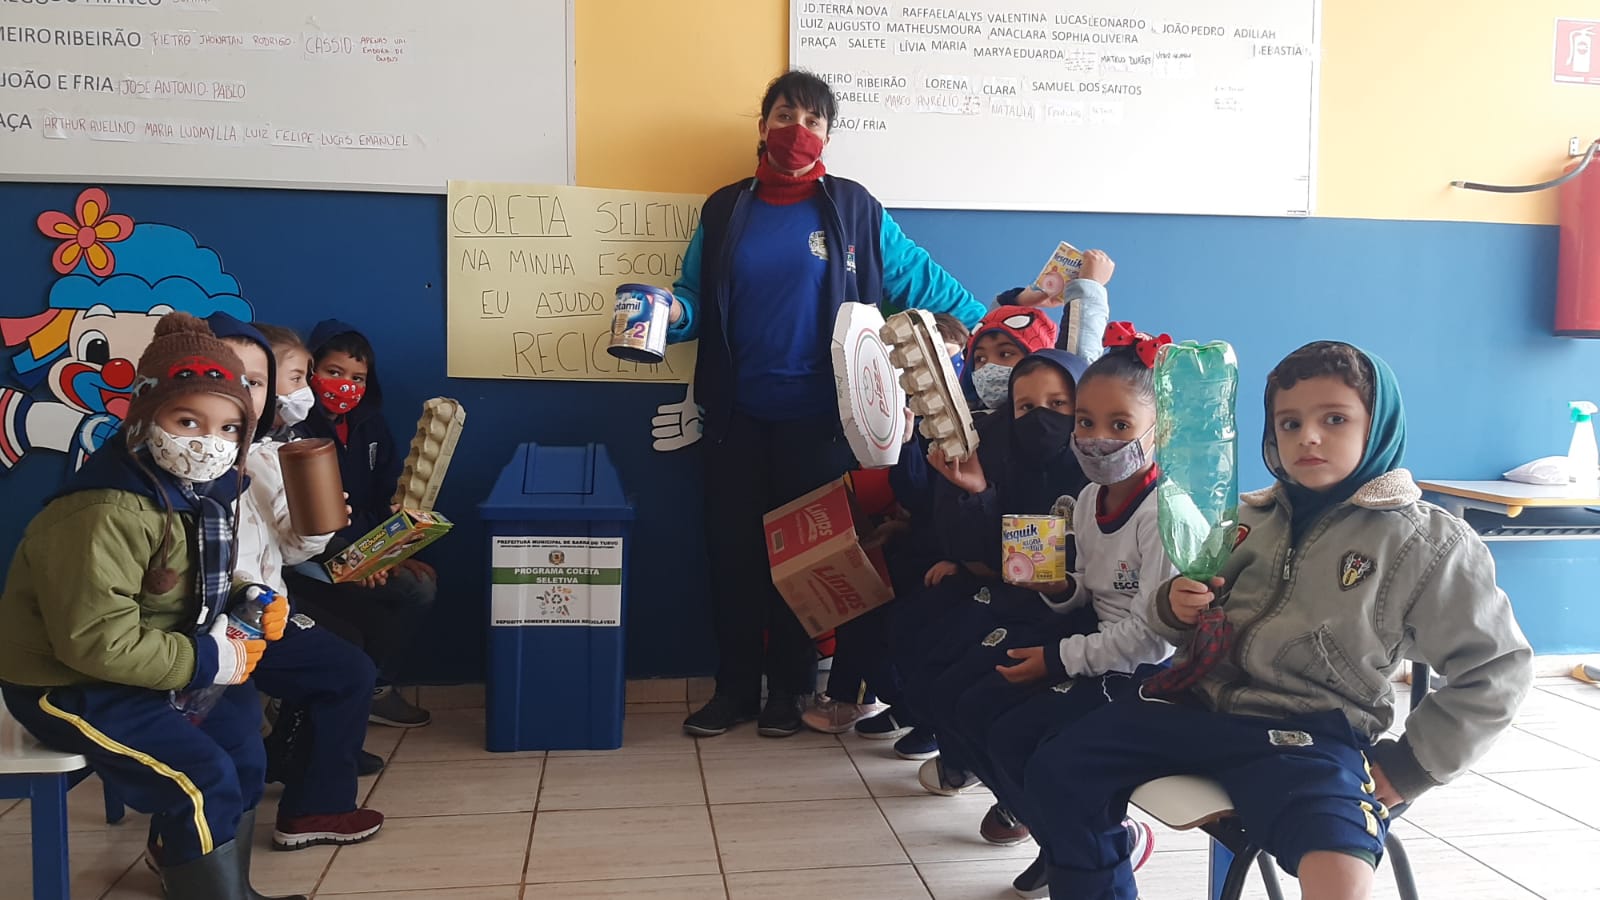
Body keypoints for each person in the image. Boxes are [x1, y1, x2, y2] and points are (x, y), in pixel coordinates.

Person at [1022, 341, 1535, 900]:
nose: (1307, 437)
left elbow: (1497, 669)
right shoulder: (1246, 516)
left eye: (1334, 419)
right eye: (1289, 423)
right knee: (1057, 767)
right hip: (1199, 709)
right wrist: (1175, 605)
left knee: (1339, 859)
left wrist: (1413, 765)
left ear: (1378, 425)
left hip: (1310, 735)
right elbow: (1173, 623)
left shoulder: (1426, 542)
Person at [663, 69, 1084, 739]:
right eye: (784, 115)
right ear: (763, 126)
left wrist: (986, 336)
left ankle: (790, 689)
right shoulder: (724, 210)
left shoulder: (855, 209)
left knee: (805, 563)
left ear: (828, 134)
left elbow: (943, 294)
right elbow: (692, 300)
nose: (797, 129)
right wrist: (666, 313)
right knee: (732, 555)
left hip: (823, 424)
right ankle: (734, 689)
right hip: (734, 418)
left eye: (813, 119)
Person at [0, 313, 302, 899]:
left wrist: (246, 595)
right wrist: (207, 659)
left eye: (228, 428)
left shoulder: (198, 494)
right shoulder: (102, 510)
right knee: (200, 777)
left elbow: (187, 581)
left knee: (243, 748)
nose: (207, 443)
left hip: (149, 668)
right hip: (66, 683)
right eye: (187, 421)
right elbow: (95, 642)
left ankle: (223, 887)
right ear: (143, 417)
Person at [209, 314, 386, 850]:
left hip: (263, 607)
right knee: (344, 670)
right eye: (296, 376)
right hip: (225, 620)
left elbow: (286, 546)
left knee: (345, 664)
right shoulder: (214, 456)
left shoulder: (269, 451)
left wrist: (319, 523)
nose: (303, 389)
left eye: (262, 382)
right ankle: (311, 806)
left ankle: (309, 798)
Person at [281, 320, 436, 729]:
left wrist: (392, 550)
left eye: (357, 377)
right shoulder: (294, 429)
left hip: (366, 545)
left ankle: (373, 689)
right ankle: (332, 696)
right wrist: (357, 556)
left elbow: (386, 497)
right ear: (310, 372)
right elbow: (304, 520)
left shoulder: (371, 424)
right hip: (310, 554)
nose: (345, 385)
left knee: (419, 585)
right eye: (333, 372)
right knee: (382, 608)